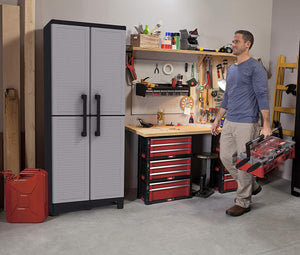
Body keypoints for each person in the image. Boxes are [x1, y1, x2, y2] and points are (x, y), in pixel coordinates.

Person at [211, 30, 272, 217]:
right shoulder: (231, 69)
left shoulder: (256, 68)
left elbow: (262, 96)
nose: (233, 44)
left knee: (244, 162)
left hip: (247, 122)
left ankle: (243, 201)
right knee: (226, 157)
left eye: (237, 41)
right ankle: (252, 185)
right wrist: (217, 119)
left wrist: (266, 124)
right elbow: (227, 97)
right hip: (230, 121)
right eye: (233, 41)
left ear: (248, 44)